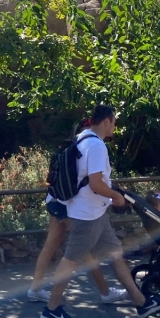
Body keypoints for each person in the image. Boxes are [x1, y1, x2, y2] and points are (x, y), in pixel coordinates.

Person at [41, 104, 160, 318]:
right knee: (70, 260)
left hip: (94, 213)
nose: (115, 127)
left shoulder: (82, 138)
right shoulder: (97, 146)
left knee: (115, 254)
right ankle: (52, 309)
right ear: (106, 121)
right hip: (88, 215)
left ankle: (142, 303)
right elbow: (96, 184)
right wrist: (116, 197)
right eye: (114, 122)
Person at [28, 119, 127, 305]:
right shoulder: (90, 147)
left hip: (55, 199)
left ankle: (35, 288)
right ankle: (105, 292)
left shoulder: (73, 146)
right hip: (68, 205)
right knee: (84, 249)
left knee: (50, 245)